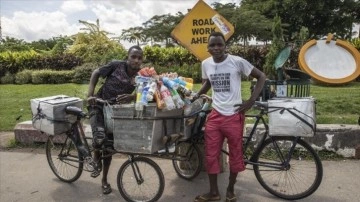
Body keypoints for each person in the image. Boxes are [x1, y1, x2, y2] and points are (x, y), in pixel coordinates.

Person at [193, 32, 266, 202]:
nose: (216, 48)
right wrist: (196, 95)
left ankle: (231, 190)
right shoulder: (206, 64)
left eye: (220, 44)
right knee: (211, 155)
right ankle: (213, 192)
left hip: (234, 115)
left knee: (235, 154)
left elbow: (261, 76)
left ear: (225, 46)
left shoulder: (237, 61)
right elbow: (208, 83)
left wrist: (251, 101)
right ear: (208, 48)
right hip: (216, 115)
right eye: (213, 45)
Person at [86, 45, 143, 195]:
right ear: (127, 57)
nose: (136, 60)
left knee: (109, 148)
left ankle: (104, 180)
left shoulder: (141, 75)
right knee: (99, 137)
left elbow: (148, 94)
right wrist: (90, 95)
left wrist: (132, 97)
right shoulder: (116, 65)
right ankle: (95, 159)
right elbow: (96, 73)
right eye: (133, 56)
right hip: (98, 105)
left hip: (116, 111)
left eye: (139, 58)